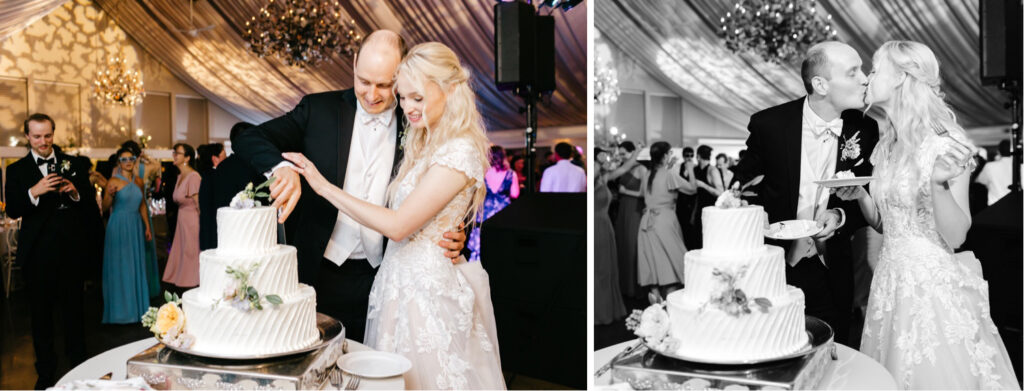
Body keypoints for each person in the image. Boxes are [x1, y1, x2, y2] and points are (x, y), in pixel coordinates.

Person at [283, 41, 503, 389]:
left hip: (427, 295)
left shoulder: (460, 149)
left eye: (417, 98)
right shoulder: (426, 140)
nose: (407, 108)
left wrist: (324, 187)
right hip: (394, 286)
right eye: (403, 97)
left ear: (449, 90)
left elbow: (400, 225)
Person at [233, 30, 467, 344]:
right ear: (354, 64)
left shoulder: (417, 118)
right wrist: (283, 168)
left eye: (385, 84)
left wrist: (455, 229)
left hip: (386, 275)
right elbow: (248, 137)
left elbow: (449, 176)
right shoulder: (319, 110)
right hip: (318, 271)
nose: (372, 95)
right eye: (363, 81)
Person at [834, 41, 1018, 389]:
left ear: (903, 78)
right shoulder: (885, 146)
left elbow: (957, 235)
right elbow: (886, 224)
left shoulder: (946, 142)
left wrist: (938, 187)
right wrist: (859, 194)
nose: (868, 77)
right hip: (889, 284)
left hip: (930, 292)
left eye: (875, 68)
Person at [731, 41, 879, 345]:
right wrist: (753, 216)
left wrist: (839, 214)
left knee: (834, 345)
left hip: (832, 262)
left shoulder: (865, 129)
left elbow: (865, 193)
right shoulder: (769, 125)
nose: (865, 78)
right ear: (821, 84)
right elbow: (744, 186)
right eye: (853, 72)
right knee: (770, 342)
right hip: (777, 264)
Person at [6, 113, 92, 388]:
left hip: (70, 254)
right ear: (28, 137)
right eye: (37, 136)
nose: (43, 141)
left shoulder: (75, 163)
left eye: (48, 135)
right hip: (37, 257)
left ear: (54, 133)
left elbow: (89, 203)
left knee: (74, 315)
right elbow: (13, 209)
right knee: (41, 319)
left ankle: (80, 367)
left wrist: (75, 191)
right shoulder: (16, 170)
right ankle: (45, 374)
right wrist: (35, 190)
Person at [637, 141, 696, 299]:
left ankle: (657, 310)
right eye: (670, 153)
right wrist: (690, 170)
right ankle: (672, 308)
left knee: (654, 265)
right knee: (672, 264)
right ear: (664, 156)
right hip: (664, 221)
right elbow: (692, 189)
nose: (671, 156)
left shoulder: (647, 174)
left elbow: (645, 194)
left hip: (646, 222)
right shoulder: (669, 174)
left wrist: (669, 167)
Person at [100, 147, 152, 324]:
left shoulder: (138, 181)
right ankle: (122, 311)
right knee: (120, 266)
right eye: (124, 159)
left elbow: (142, 205)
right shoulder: (113, 181)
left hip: (135, 225)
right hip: (119, 226)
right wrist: (110, 195)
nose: (128, 162)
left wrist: (147, 226)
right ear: (118, 163)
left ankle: (137, 309)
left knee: (135, 265)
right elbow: (105, 208)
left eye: (131, 158)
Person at [198, 122, 267, 251]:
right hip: (253, 238)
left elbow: (208, 209)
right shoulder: (256, 166)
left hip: (224, 237)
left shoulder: (221, 168)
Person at [467, 145, 519, 261]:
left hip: (485, 212)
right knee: (501, 242)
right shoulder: (511, 174)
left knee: (481, 244)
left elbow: (474, 191)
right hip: (503, 213)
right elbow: (515, 194)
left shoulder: (483, 172)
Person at [163, 143, 201, 289]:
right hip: (182, 220)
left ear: (187, 157)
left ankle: (193, 285)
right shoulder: (180, 176)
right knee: (183, 253)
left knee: (191, 254)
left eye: (177, 153)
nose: (174, 155)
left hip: (192, 221)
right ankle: (184, 283)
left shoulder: (193, 177)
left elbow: (198, 204)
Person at [613, 141, 646, 298]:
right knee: (623, 245)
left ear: (633, 153)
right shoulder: (621, 169)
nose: (621, 156)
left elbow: (644, 194)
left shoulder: (641, 169)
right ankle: (624, 286)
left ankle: (635, 287)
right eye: (619, 154)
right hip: (623, 209)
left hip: (634, 209)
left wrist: (625, 191)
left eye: (624, 153)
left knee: (632, 247)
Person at [975, 139, 1020, 205]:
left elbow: (979, 181)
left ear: (998, 152)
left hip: (996, 206)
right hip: (1017, 204)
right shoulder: (1020, 166)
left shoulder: (990, 166)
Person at [675, 146, 699, 249]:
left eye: (691, 155)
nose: (689, 158)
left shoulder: (696, 168)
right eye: (687, 155)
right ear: (683, 156)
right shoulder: (678, 167)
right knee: (682, 227)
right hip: (681, 202)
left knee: (692, 229)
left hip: (693, 202)